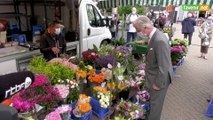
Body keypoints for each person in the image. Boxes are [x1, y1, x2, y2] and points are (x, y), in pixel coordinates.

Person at [133, 15, 173, 120]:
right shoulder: (154, 36)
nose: (139, 33)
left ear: (145, 27)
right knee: (152, 104)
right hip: (154, 76)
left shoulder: (159, 40)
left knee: (155, 107)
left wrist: (158, 84)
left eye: (139, 30)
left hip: (159, 80)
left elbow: (164, 65)